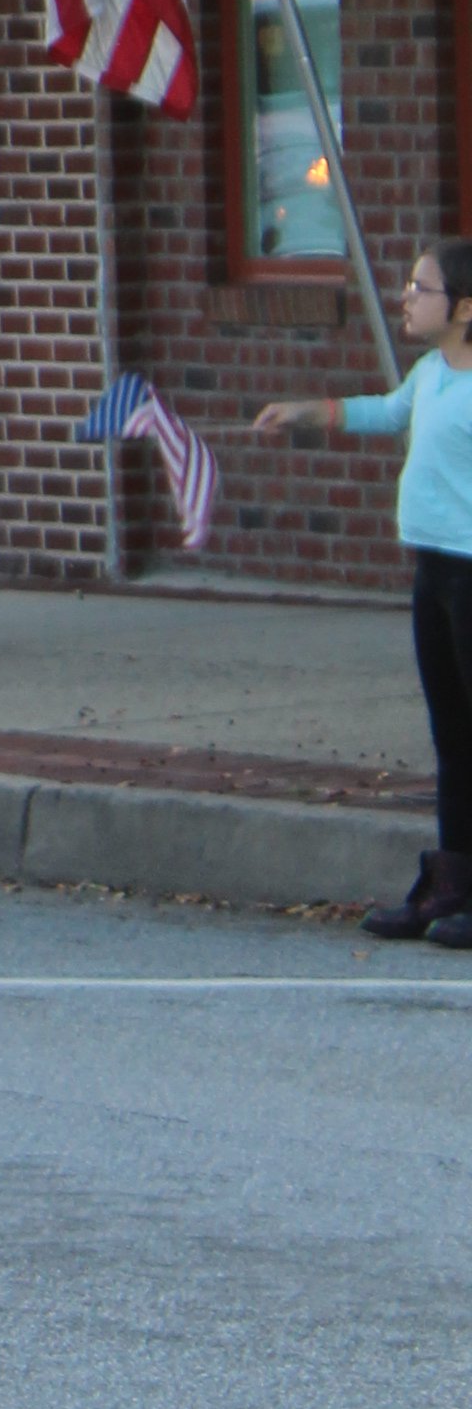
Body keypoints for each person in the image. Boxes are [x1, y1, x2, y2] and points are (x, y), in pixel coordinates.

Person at [256, 238, 472, 946]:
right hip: (433, 571)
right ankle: (451, 886)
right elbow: (385, 413)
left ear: (465, 307)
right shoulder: (432, 375)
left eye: (422, 287)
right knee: (452, 734)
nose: (407, 298)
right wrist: (305, 412)